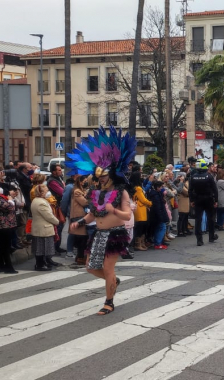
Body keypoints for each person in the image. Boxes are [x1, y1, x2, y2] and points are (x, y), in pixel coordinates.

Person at [67, 126, 136, 316]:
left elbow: (127, 216)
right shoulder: (96, 193)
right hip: (98, 234)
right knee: (90, 267)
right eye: (99, 177)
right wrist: (79, 222)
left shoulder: (121, 192)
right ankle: (113, 281)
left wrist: (113, 210)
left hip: (115, 235)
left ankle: (109, 302)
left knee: (107, 269)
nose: (101, 179)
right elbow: (92, 215)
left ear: (112, 174)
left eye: (104, 176)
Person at [0, 178, 18, 274]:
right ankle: (7, 266)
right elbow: (9, 207)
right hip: (3, 225)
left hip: (6, 224)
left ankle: (1, 265)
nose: (0, 188)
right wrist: (10, 200)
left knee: (2, 246)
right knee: (4, 246)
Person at [189, 159, 218, 246]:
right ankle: (211, 236)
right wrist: (216, 200)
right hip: (208, 199)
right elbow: (214, 189)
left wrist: (192, 200)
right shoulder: (209, 176)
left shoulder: (193, 177)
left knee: (198, 219)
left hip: (198, 199)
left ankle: (199, 240)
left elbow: (190, 190)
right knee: (211, 218)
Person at [130, 173, 151, 251]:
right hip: (140, 208)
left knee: (140, 226)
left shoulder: (133, 187)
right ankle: (138, 244)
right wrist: (150, 203)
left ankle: (140, 243)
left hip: (137, 207)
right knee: (141, 226)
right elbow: (143, 199)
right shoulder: (138, 188)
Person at [147, 180, 171, 249]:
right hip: (158, 214)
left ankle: (157, 242)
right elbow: (158, 207)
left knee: (159, 227)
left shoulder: (155, 194)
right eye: (161, 187)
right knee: (162, 227)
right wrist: (161, 216)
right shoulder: (156, 195)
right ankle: (158, 243)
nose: (162, 188)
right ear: (157, 187)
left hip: (157, 214)